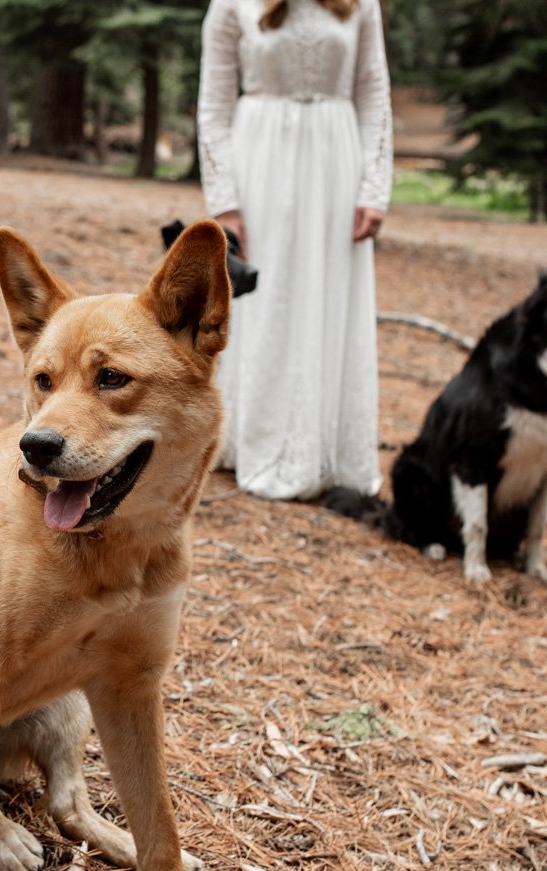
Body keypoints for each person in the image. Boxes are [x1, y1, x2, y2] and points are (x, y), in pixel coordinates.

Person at [197, 0, 392, 500]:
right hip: (259, 161)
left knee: (327, 299)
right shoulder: (233, 4)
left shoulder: (360, 3)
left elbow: (373, 92)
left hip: (337, 162)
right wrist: (225, 200)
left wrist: (374, 186)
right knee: (265, 303)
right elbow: (213, 104)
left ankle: (322, 450)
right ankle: (247, 441)